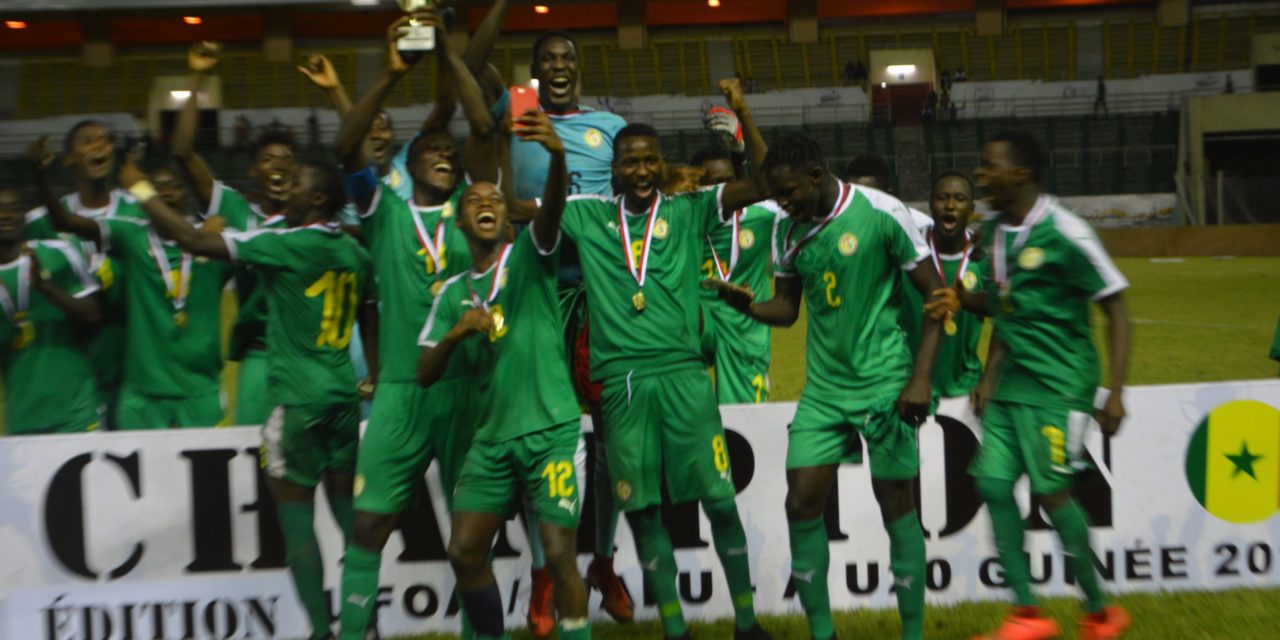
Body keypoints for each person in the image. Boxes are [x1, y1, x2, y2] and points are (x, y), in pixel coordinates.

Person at [121, 157, 378, 640]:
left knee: (295, 514)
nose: (289, 189)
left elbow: (194, 240)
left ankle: (323, 632)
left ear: (317, 199)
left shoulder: (286, 244)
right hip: (343, 395)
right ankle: (366, 624)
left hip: (297, 400)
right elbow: (370, 312)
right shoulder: (354, 251)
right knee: (348, 512)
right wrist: (377, 375)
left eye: (299, 181)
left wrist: (139, 188)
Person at [708, 132, 944, 640]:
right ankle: (823, 633)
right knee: (801, 503)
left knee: (896, 505)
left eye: (789, 193)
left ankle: (914, 635)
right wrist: (743, 304)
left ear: (816, 177)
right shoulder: (787, 230)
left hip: (885, 385)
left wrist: (920, 378)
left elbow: (937, 297)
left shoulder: (884, 214)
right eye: (775, 197)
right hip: (824, 391)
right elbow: (788, 310)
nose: (782, 203)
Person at [558, 121, 772, 640]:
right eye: (630, 161)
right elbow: (530, 216)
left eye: (651, 159)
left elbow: (765, 184)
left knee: (720, 501)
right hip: (623, 386)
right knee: (645, 513)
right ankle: (675, 630)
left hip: (684, 378)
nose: (642, 171)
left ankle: (747, 623)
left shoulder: (689, 208)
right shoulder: (586, 215)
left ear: (663, 163)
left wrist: (742, 126)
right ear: (614, 170)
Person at [925, 129, 1132, 640]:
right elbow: (1002, 304)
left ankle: (1100, 612)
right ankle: (1027, 616)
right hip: (1013, 382)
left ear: (1020, 173)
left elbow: (1116, 308)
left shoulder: (1067, 231)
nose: (979, 174)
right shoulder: (993, 232)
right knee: (993, 484)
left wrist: (1117, 390)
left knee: (1052, 493)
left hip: (1061, 386)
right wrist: (958, 301)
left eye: (988, 165)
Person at [333, 12, 499, 639]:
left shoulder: (475, 212)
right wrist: (392, 72)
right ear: (410, 160)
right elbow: (346, 149)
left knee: (469, 539)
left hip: (465, 394)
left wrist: (447, 56)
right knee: (368, 524)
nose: (443, 155)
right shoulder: (384, 211)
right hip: (401, 391)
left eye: (450, 155)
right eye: (431, 150)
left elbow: (482, 124)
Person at [420, 109, 592, 640]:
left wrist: (558, 156)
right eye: (475, 202)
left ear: (508, 219)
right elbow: (424, 372)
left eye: (495, 200)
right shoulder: (450, 294)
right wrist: (455, 335)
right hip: (490, 441)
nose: (487, 204)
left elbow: (554, 211)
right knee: (464, 549)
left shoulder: (530, 257)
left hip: (550, 432)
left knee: (561, 553)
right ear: (461, 222)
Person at [508, 29, 633, 631]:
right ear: (533, 72)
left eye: (567, 58)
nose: (558, 66)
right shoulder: (517, 125)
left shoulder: (610, 127)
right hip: (537, 294)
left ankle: (603, 564)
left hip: (601, 295)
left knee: (609, 439)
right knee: (540, 435)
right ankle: (541, 574)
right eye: (547, 59)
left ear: (578, 69)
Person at [32, 141, 234, 430]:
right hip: (142, 397)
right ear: (143, 197)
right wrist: (39, 174)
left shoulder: (212, 243)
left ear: (185, 193)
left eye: (174, 186)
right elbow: (63, 221)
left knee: (209, 476)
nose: (166, 193)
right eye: (156, 187)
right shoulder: (130, 235)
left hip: (200, 392)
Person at [172, 41, 303, 426]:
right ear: (253, 172)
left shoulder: (312, 212)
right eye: (268, 160)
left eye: (287, 161)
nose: (279, 166)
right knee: (251, 452)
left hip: (309, 354)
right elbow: (182, 152)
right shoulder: (233, 208)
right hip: (260, 354)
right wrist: (197, 76)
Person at [24, 119, 145, 429]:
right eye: (87, 141)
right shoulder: (41, 221)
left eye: (105, 140)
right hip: (76, 359)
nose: (99, 146)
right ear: (69, 159)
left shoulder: (139, 212)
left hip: (135, 353)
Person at [693, 79, 777, 405]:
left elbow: (769, 182)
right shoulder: (682, 223)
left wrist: (744, 124)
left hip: (743, 328)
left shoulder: (760, 217)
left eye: (726, 183)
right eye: (709, 185)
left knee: (745, 424)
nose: (720, 193)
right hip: (695, 324)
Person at [0, 187, 103, 435]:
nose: (6, 215)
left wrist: (47, 288)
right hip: (20, 419)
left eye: (13, 208)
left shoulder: (57, 253)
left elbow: (95, 317)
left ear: (25, 217)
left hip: (76, 413)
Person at [922, 171, 987, 400]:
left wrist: (988, 381)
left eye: (959, 199)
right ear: (930, 204)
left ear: (971, 208)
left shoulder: (984, 257)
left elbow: (1003, 313)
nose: (950, 205)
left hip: (966, 387)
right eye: (942, 198)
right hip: (911, 385)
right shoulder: (912, 250)